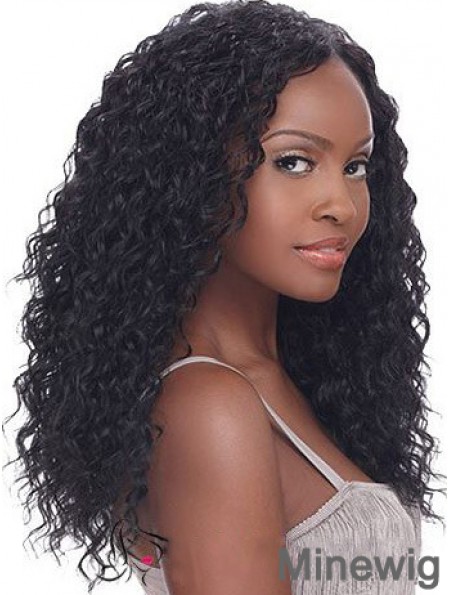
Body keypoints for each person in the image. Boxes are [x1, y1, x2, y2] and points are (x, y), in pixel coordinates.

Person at [6, 0, 444, 593]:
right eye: (294, 162)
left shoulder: (294, 375)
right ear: (193, 176)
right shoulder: (209, 407)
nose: (341, 205)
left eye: (356, 167)